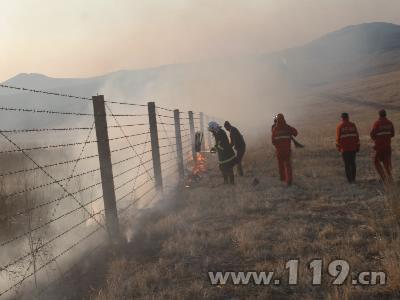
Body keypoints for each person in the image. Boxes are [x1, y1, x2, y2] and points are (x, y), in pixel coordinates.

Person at [271, 114, 298, 186]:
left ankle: (282, 179)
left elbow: (273, 141)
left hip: (279, 151)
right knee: (288, 165)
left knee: (281, 166)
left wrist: (278, 146)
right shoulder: (287, 127)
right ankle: (289, 180)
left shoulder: (274, 129)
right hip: (287, 151)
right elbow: (296, 132)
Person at [370, 109, 395, 184]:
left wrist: (377, 139)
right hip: (388, 146)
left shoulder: (377, 123)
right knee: (387, 162)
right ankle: (390, 178)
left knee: (376, 162)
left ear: (379, 115)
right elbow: (392, 134)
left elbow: (372, 135)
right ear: (385, 114)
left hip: (380, 147)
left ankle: (383, 178)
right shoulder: (390, 123)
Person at [336, 113, 360, 183]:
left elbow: (338, 139)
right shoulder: (353, 125)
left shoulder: (340, 126)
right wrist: (358, 146)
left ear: (342, 118)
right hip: (353, 148)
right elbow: (356, 136)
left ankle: (349, 180)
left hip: (345, 149)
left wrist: (339, 148)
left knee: (347, 164)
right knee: (353, 163)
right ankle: (353, 178)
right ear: (348, 117)